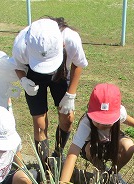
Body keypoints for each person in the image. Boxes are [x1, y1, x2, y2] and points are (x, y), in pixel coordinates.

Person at [57, 83, 134, 184]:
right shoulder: (86, 123)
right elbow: (72, 154)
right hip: (93, 148)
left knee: (129, 146)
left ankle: (113, 175)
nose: (103, 124)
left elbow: (126, 119)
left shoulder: (120, 112)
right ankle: (103, 173)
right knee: (90, 149)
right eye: (99, 120)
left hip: (111, 144)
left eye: (107, 121)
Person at [12, 17, 88, 165]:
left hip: (60, 75)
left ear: (62, 44)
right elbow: (18, 65)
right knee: (40, 124)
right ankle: (45, 165)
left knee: (68, 118)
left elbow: (78, 64)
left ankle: (58, 153)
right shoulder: (21, 43)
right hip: (33, 76)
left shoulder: (70, 38)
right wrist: (23, 80)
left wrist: (70, 95)